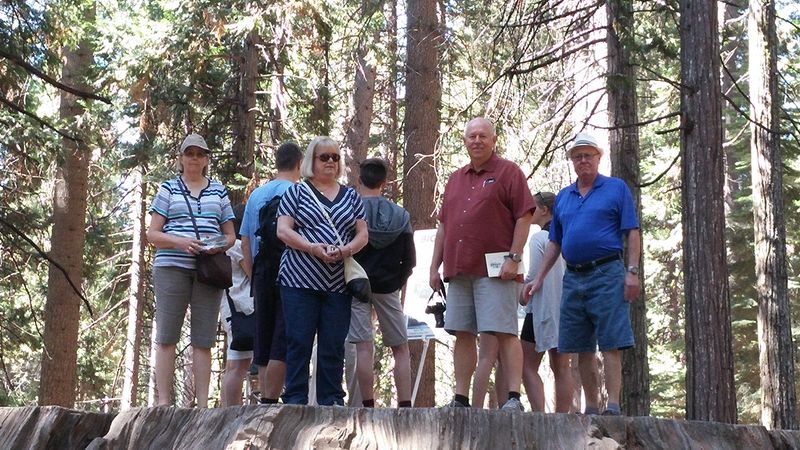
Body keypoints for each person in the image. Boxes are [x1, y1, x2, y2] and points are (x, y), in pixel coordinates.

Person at [524, 132, 640, 416]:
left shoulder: (616, 189)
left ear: (598, 158)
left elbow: (632, 232)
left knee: (611, 341)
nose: (583, 160)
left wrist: (632, 272)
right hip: (573, 278)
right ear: (572, 162)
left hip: (608, 271)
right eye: (578, 157)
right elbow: (555, 242)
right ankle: (591, 406)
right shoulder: (564, 196)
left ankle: (612, 405)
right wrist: (538, 277)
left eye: (588, 155)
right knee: (581, 346)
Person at [430, 117, 535, 411]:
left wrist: (514, 258)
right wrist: (433, 267)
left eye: (482, 136)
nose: (477, 141)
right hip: (459, 267)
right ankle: (460, 398)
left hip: (496, 269)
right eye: (471, 136)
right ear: (465, 141)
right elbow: (443, 226)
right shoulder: (455, 178)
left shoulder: (509, 172)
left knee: (503, 331)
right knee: (462, 332)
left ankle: (513, 398)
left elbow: (524, 216)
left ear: (494, 140)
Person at [276, 136, 369, 406]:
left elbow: (362, 234)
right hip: (298, 280)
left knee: (333, 344)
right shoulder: (295, 192)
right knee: (298, 342)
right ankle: (295, 399)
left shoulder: (351, 195)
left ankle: (331, 401)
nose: (330, 162)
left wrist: (346, 250)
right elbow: (283, 230)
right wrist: (312, 248)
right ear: (311, 161)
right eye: (324, 157)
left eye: (335, 157)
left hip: (338, 282)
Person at [146, 133, 236, 407]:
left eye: (200, 154)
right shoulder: (168, 189)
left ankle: (202, 406)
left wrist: (215, 246)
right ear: (181, 159)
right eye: (189, 153)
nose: (194, 158)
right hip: (171, 266)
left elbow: (230, 235)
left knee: (203, 338)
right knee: (167, 335)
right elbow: (152, 233)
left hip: (207, 270)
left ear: (206, 159)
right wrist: (181, 242)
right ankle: (163, 402)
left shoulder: (218, 191)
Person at [347, 158, 415, 408]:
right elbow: (410, 258)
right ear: (384, 183)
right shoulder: (401, 215)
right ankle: (405, 405)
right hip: (388, 287)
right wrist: (395, 282)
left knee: (364, 347)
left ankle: (367, 405)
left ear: (359, 180)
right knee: (400, 348)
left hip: (356, 286)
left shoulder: (350, 213)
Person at [240, 142, 303, 404]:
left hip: (262, 272)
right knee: (283, 335)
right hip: (292, 272)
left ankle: (264, 400)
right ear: (300, 164)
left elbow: (245, 240)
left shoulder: (256, 195)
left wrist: (252, 273)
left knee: (263, 336)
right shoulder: (299, 193)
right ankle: (271, 400)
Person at [519, 191, 573, 412]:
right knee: (562, 366)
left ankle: (539, 415)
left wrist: (521, 293)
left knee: (526, 365)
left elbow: (532, 278)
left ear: (544, 210)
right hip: (566, 308)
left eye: (533, 206)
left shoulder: (539, 238)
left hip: (540, 309)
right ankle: (563, 417)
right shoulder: (567, 236)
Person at [219, 204, 254, 407]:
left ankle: (228, 408)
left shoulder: (224, 246)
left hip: (231, 308)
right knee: (238, 366)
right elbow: (252, 274)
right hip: (242, 308)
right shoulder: (238, 247)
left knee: (234, 365)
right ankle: (231, 410)